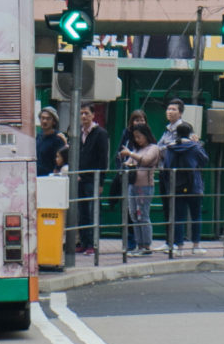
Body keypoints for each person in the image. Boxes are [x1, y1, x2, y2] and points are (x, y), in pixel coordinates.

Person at [117, 110, 160, 257]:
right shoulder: (137, 149)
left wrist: (130, 154)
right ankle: (139, 244)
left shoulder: (153, 148)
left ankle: (146, 245)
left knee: (143, 215)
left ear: (146, 136)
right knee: (134, 215)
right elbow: (129, 162)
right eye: (135, 137)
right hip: (133, 185)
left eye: (139, 137)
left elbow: (147, 160)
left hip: (145, 187)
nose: (137, 140)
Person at [166, 118, 208, 249]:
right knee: (196, 215)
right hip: (194, 184)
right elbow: (205, 160)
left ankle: (179, 247)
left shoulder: (171, 147)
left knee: (179, 216)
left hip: (177, 185)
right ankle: (196, 246)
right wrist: (199, 144)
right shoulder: (194, 147)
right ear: (190, 133)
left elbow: (167, 165)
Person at [75, 104, 108, 255]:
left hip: (92, 179)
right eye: (81, 114)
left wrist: (101, 181)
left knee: (92, 211)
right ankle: (83, 241)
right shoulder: (78, 133)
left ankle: (93, 244)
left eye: (86, 113)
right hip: (80, 178)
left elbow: (103, 158)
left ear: (93, 115)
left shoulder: (100, 133)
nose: (84, 117)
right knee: (82, 212)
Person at [36, 105, 67, 178]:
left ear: (54, 122)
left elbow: (62, 159)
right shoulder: (38, 136)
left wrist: (56, 170)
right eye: (42, 118)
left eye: (48, 118)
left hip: (50, 177)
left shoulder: (58, 138)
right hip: (37, 176)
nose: (44, 121)